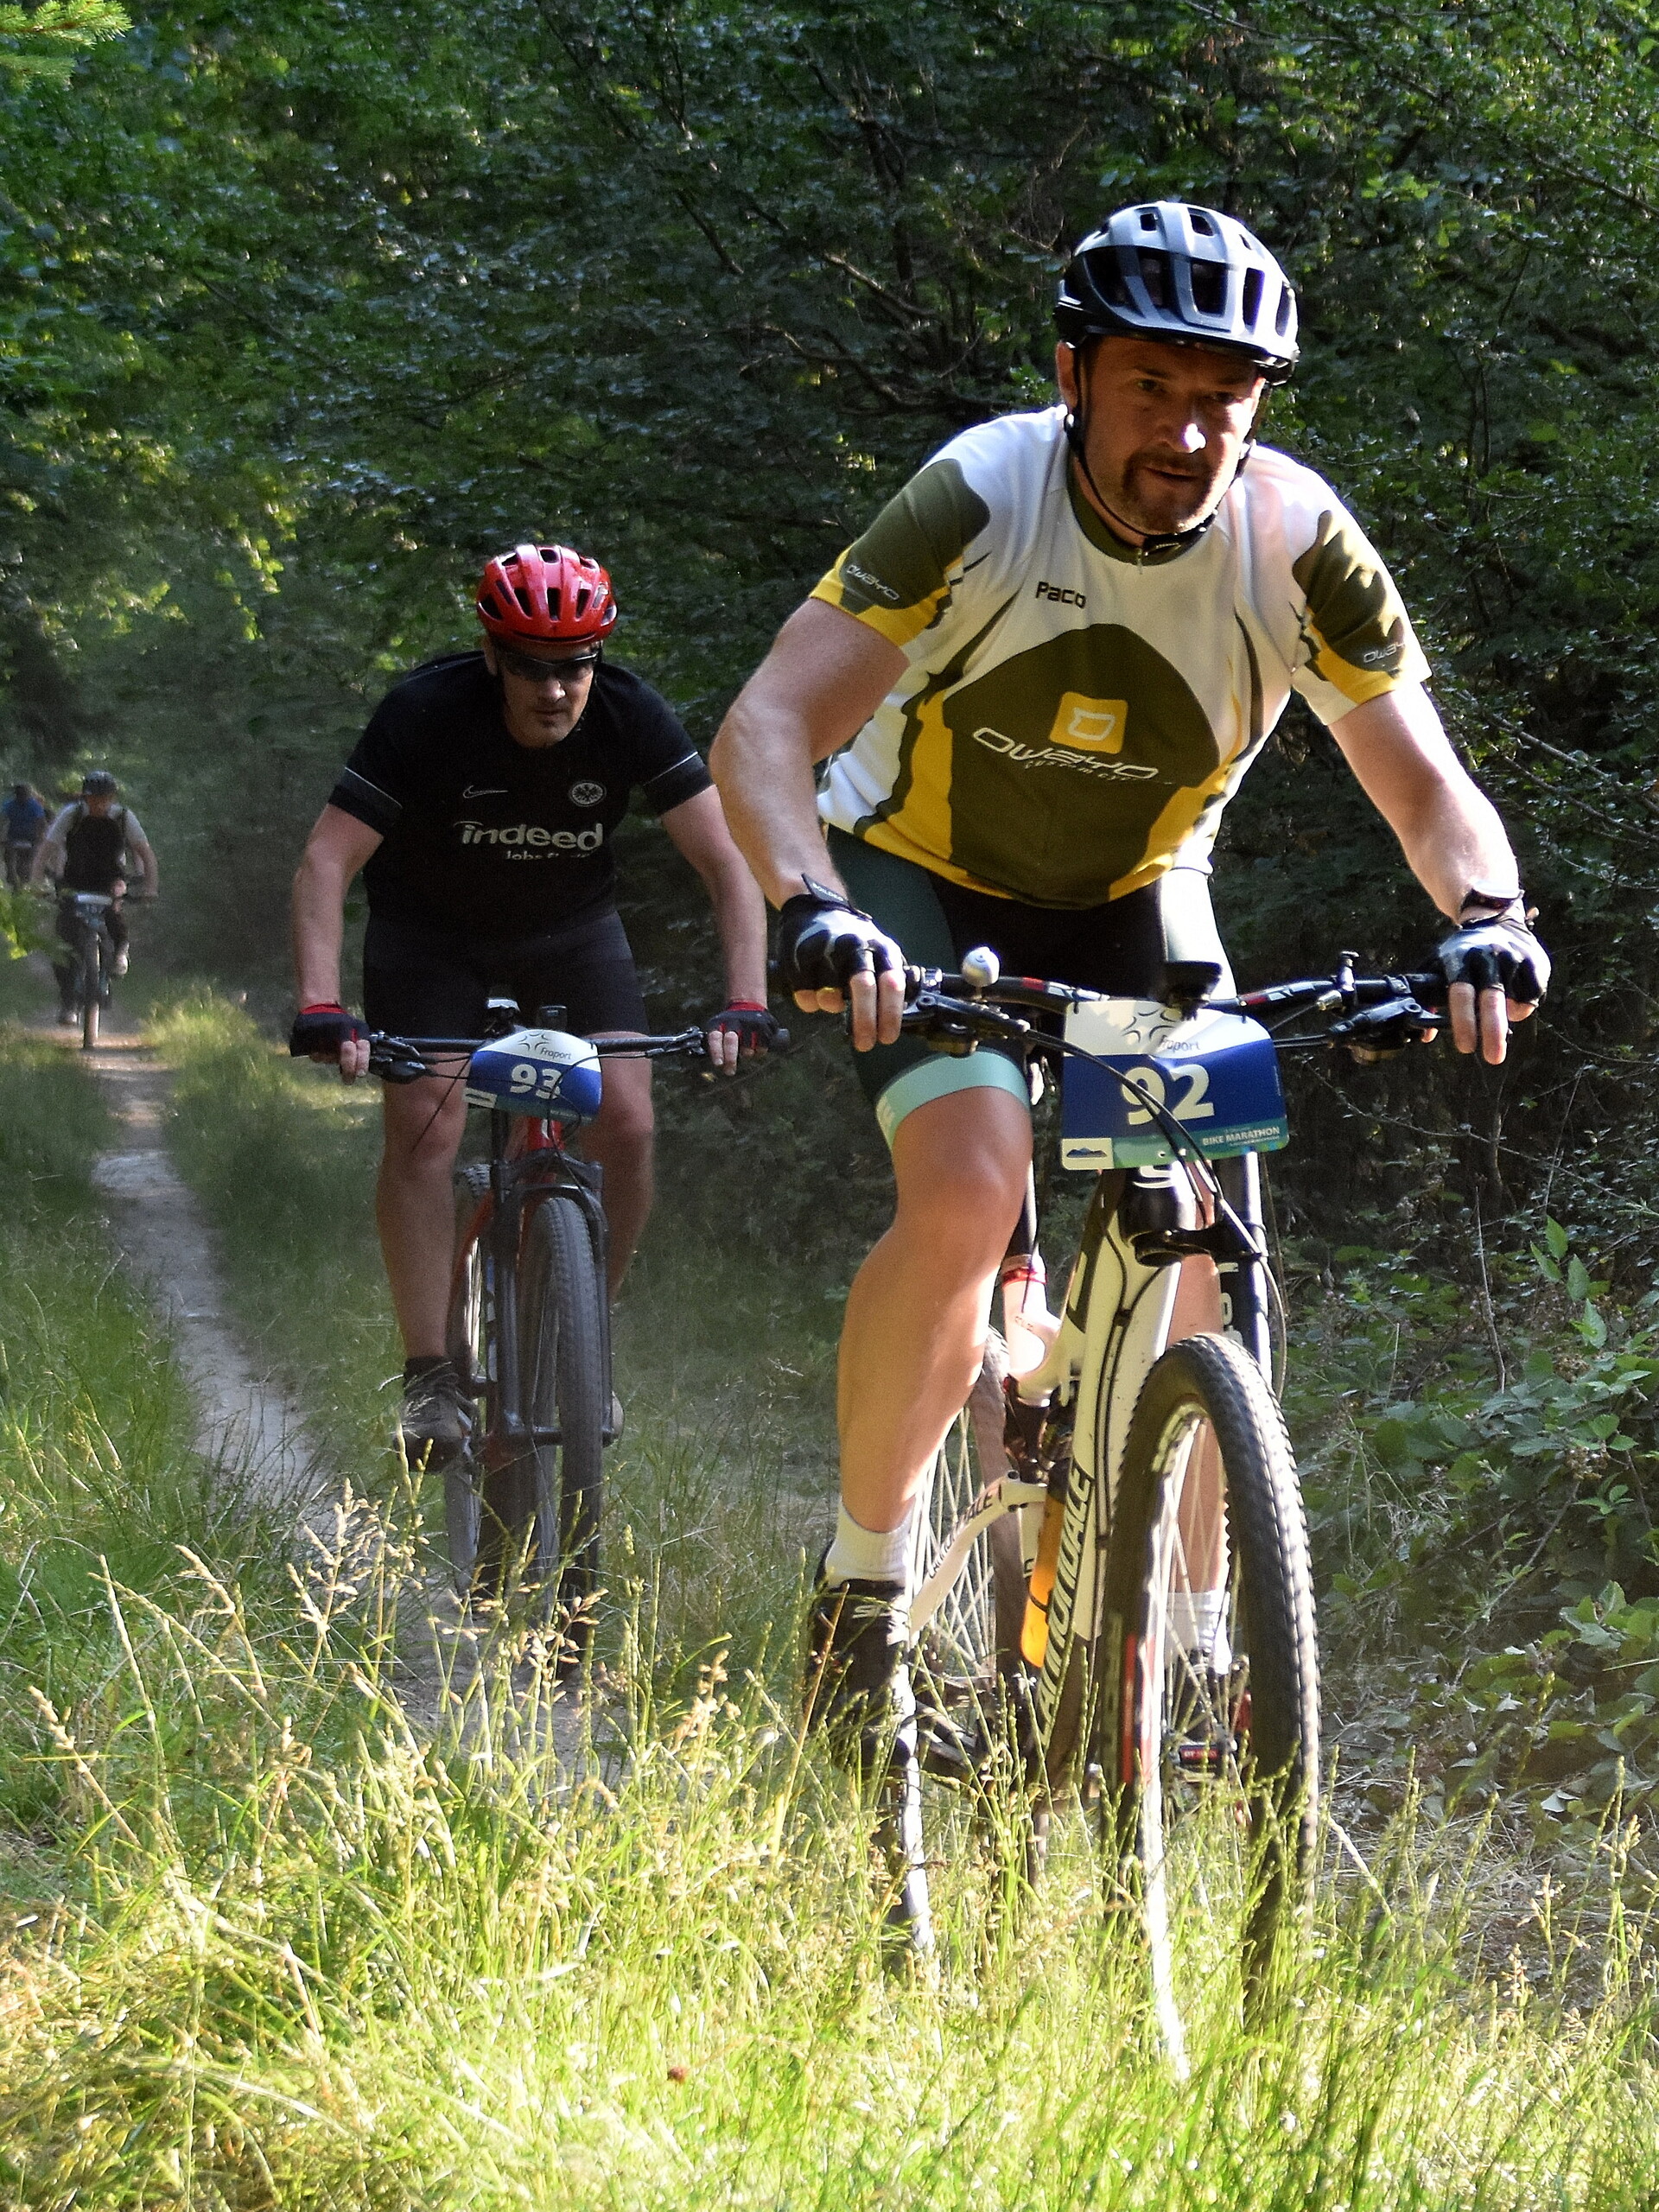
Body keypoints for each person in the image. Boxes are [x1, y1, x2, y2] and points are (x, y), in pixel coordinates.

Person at [709, 199, 1551, 1772]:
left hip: (1137, 894)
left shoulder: (1294, 541)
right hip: (916, 875)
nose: (1187, 431)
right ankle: (865, 1587)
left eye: (1223, 397)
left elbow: (1427, 784)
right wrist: (813, 911)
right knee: (973, 1184)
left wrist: (1490, 918)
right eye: (1152, 388)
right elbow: (764, 727)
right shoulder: (982, 493)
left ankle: (1206, 1638)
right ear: (1073, 377)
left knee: (1212, 1240)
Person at [291, 540, 779, 1460]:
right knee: (427, 1126)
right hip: (431, 936)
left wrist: (744, 999)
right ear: (491, 656)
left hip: (570, 933)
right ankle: (431, 1375)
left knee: (627, 1121)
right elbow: (326, 860)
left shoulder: (630, 714)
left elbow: (725, 860)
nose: (555, 691)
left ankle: (583, 1333)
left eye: (575, 668)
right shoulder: (425, 713)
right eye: (530, 668)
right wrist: (322, 1003)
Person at [34, 771, 159, 1022]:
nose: (99, 804)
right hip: (74, 880)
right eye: (93, 799)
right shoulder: (71, 815)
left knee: (114, 916)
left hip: (110, 880)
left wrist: (150, 888)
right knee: (64, 937)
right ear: (85, 797)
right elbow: (46, 849)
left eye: (104, 799)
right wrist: (36, 883)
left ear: (112, 798)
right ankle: (69, 1003)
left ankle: (120, 952)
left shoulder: (123, 817)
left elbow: (146, 854)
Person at [2, 782, 46, 890]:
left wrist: (40, 837)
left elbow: (41, 822)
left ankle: (24, 882)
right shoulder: (9, 805)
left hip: (31, 838)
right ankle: (12, 877)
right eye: (19, 794)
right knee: (8, 857)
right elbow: (2, 819)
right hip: (13, 837)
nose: (22, 797)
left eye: (24, 794)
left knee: (27, 861)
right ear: (16, 795)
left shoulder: (35, 806)